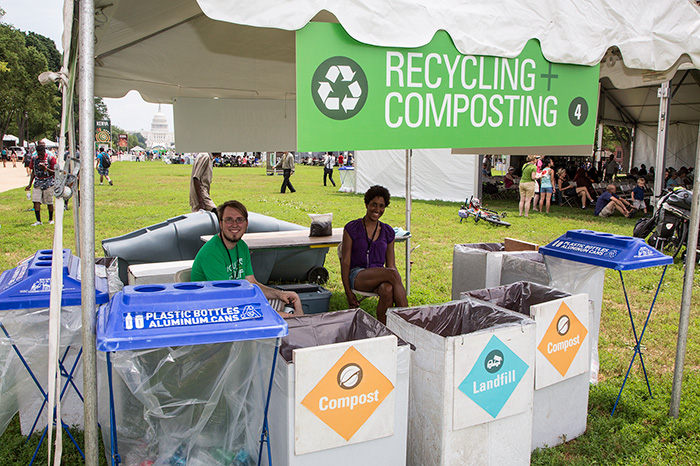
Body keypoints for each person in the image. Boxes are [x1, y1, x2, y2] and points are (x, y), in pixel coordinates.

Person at [191, 200, 303, 318]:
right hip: (214, 310)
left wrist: (280, 294)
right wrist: (272, 313)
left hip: (237, 301)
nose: (235, 224)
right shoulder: (212, 252)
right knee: (284, 316)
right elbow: (226, 297)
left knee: (292, 300)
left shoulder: (242, 247)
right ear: (221, 223)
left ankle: (301, 333)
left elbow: (252, 284)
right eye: (229, 220)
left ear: (246, 223)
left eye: (239, 220)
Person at [341, 185, 408, 324]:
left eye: (382, 206)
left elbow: (391, 264)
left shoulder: (388, 231)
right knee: (393, 274)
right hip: (358, 275)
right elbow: (346, 261)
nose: (377, 209)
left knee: (387, 289)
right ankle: (408, 320)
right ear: (366, 204)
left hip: (379, 275)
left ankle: (385, 330)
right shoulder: (351, 228)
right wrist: (348, 292)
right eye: (374, 205)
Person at [25, 144, 56, 226]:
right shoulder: (34, 159)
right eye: (38, 154)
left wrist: (45, 169)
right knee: (36, 201)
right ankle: (38, 221)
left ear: (44, 151)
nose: (40, 156)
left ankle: (50, 219)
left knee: (49, 201)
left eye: (41, 154)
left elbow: (55, 172)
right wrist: (29, 184)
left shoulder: (51, 158)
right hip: (38, 182)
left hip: (48, 182)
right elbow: (33, 172)